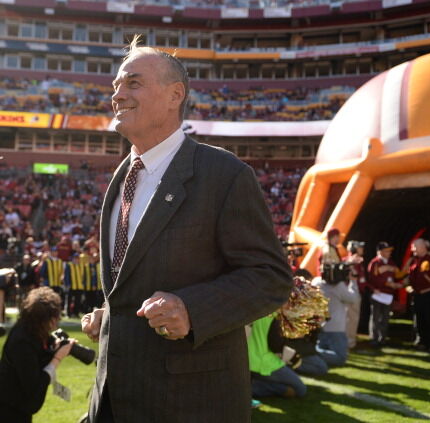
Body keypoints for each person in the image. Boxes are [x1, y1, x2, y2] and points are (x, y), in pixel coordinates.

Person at [81, 36, 292, 422]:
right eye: (115, 86)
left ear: (175, 94)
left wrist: (192, 309)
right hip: (112, 400)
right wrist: (110, 314)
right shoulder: (120, 178)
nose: (117, 95)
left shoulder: (224, 175)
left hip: (188, 403)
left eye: (133, 83)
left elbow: (272, 278)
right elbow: (133, 284)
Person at [0, 287, 74, 423]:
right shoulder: (22, 342)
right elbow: (34, 386)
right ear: (48, 319)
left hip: (15, 406)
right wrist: (57, 358)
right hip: (9, 409)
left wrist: (54, 346)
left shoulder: (29, 329)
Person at [248, 314, 307, 399]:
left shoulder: (246, 310)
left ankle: (248, 385)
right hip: (262, 364)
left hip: (247, 362)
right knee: (300, 390)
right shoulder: (272, 314)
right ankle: (249, 388)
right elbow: (276, 345)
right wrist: (294, 357)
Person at [367, 241, 402, 348]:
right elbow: (372, 279)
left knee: (385, 318)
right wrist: (386, 284)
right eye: (387, 251)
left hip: (388, 295)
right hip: (377, 294)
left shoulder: (391, 262)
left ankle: (383, 339)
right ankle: (374, 338)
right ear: (380, 252)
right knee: (376, 318)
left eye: (389, 251)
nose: (389, 253)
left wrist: (398, 284)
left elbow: (398, 275)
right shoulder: (375, 263)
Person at [345, 240, 367, 348]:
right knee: (350, 318)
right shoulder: (348, 260)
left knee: (353, 319)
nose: (362, 249)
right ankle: (348, 342)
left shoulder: (359, 262)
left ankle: (351, 341)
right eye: (359, 247)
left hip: (356, 292)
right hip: (349, 293)